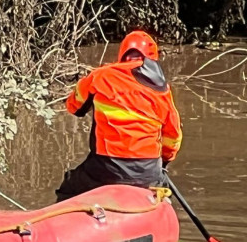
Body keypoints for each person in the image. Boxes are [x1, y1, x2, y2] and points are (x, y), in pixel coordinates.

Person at [55, 30, 182, 201]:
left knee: (69, 187)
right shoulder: (162, 89)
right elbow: (173, 136)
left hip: (106, 169)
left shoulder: (100, 76)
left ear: (122, 53)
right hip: (148, 171)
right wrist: (164, 163)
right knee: (163, 195)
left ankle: (65, 219)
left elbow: (73, 107)